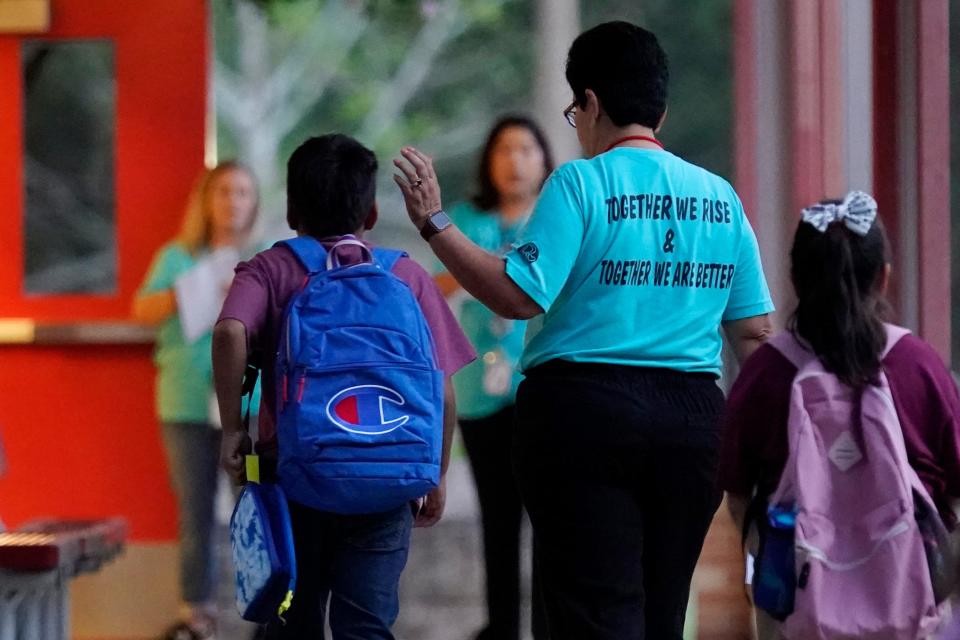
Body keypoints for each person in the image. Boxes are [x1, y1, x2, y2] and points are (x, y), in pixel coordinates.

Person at [392, 20, 774, 640]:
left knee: (593, 614)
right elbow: (754, 334)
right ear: (663, 108)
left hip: (587, 417)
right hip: (693, 424)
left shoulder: (580, 183)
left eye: (576, 110)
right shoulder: (719, 197)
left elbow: (516, 294)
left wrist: (436, 223)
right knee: (662, 611)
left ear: (590, 101)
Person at [212, 134, 475, 639]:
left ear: (292, 211)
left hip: (294, 478)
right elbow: (441, 391)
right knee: (366, 625)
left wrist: (230, 430)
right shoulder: (406, 275)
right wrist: (435, 473)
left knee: (293, 622)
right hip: (386, 483)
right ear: (371, 212)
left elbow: (228, 332)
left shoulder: (272, 268)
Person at [718, 192, 960, 638]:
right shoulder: (919, 365)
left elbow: (736, 495)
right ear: (884, 278)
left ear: (794, 278)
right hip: (909, 610)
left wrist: (767, 559)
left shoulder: (767, 372)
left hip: (796, 611)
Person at [436, 115, 553, 640]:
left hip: (544, 394)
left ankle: (548, 625)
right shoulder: (462, 220)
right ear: (489, 161)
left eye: (526, 149)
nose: (515, 160)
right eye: (504, 149)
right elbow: (437, 285)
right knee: (497, 519)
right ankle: (502, 627)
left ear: (545, 160)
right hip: (479, 397)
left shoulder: (558, 218)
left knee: (550, 519)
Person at [132, 161, 261, 640]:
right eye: (224, 191)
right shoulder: (178, 257)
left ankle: (263, 611)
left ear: (255, 203)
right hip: (185, 404)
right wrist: (196, 287)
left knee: (253, 507)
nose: (233, 201)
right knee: (195, 512)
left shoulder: (263, 257)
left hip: (248, 408)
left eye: (243, 192)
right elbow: (142, 309)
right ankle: (197, 616)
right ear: (206, 199)